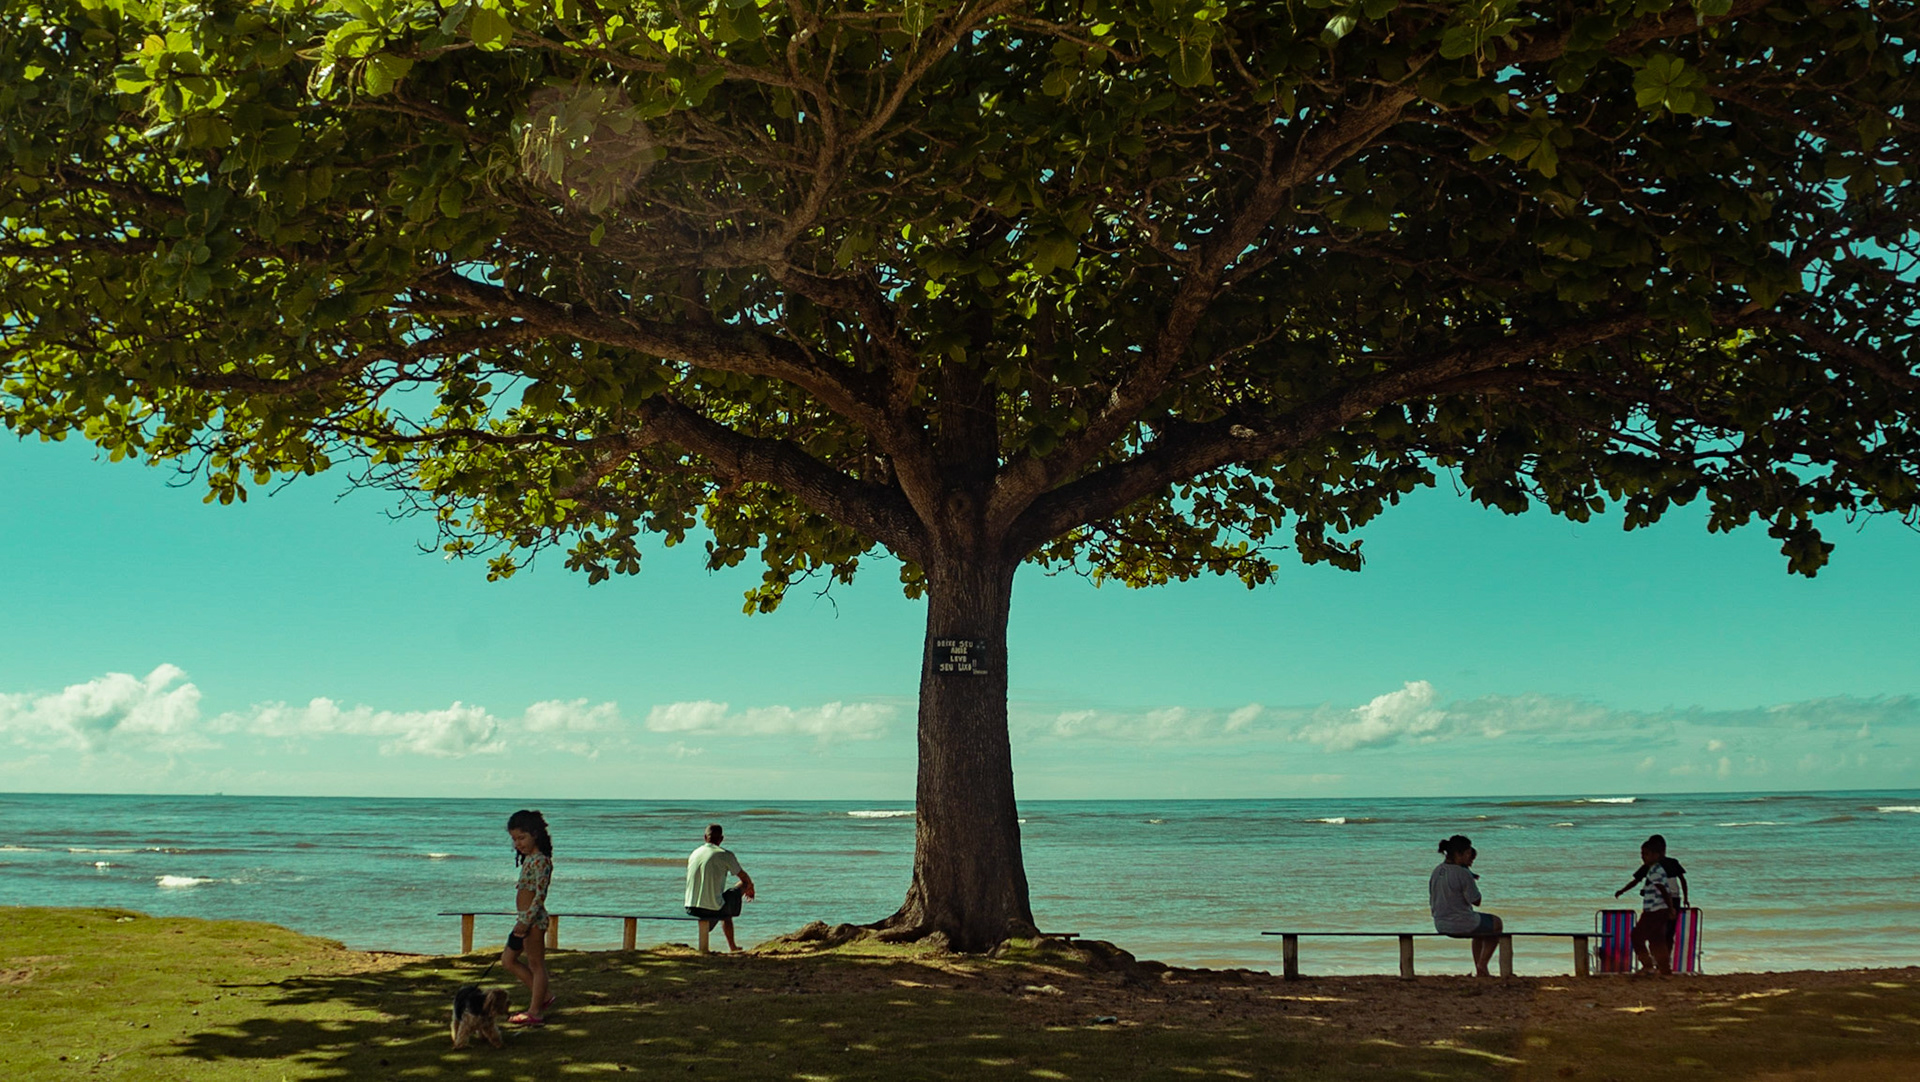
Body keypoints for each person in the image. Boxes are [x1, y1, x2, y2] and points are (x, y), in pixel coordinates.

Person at [502, 809, 554, 1025]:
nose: (518, 844)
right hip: (523, 920)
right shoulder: (529, 860)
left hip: (533, 922)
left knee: (536, 964)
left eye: (521, 838)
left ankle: (535, 1012)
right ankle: (543, 996)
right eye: (514, 839)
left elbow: (540, 895)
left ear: (535, 834)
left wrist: (526, 920)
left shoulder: (541, 861)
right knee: (508, 960)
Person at [1429, 834, 1502, 976]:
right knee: (1497, 923)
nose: (1470, 856)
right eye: (1468, 853)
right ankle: (1482, 965)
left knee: (1480, 929)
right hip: (1459, 923)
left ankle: (1479, 968)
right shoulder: (1462, 873)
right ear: (1458, 854)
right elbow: (1476, 901)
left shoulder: (1437, 871)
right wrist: (1471, 881)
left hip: (1440, 923)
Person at [684, 823, 755, 954]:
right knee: (730, 904)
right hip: (710, 909)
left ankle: (728, 944)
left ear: (705, 837)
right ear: (721, 839)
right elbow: (744, 877)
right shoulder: (725, 854)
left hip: (690, 907)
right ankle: (733, 947)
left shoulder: (694, 853)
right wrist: (751, 887)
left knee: (723, 900)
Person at [1628, 835, 1682, 976]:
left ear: (1656, 855)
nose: (1643, 857)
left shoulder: (1655, 871)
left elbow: (1664, 891)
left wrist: (1671, 908)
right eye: (1642, 854)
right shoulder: (1655, 869)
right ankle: (1665, 970)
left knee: (1636, 936)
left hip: (1654, 910)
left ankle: (1647, 965)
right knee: (1657, 940)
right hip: (1659, 909)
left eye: (1646, 854)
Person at [1614, 833, 1689, 908]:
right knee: (1670, 918)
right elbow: (1682, 880)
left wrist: (1622, 891)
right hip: (1675, 898)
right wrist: (1685, 898)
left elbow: (1636, 881)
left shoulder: (1649, 865)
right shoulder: (1673, 862)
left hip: (1657, 900)